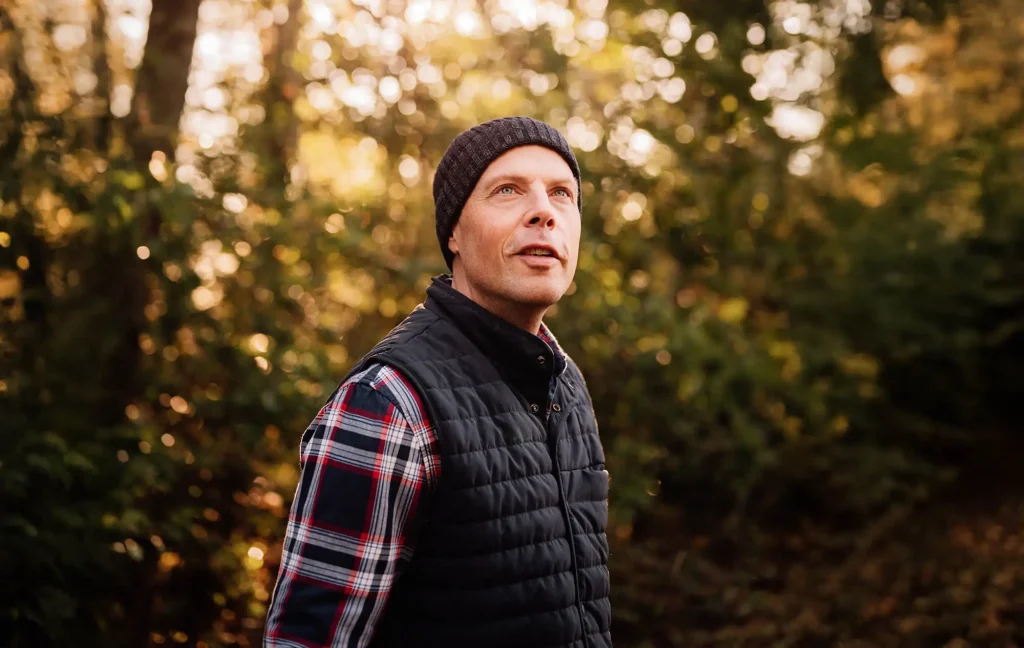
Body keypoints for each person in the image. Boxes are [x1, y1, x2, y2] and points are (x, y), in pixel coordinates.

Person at [264, 116, 611, 648]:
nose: (544, 210)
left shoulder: (565, 384)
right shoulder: (389, 402)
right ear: (453, 230)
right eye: (507, 190)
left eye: (562, 193)